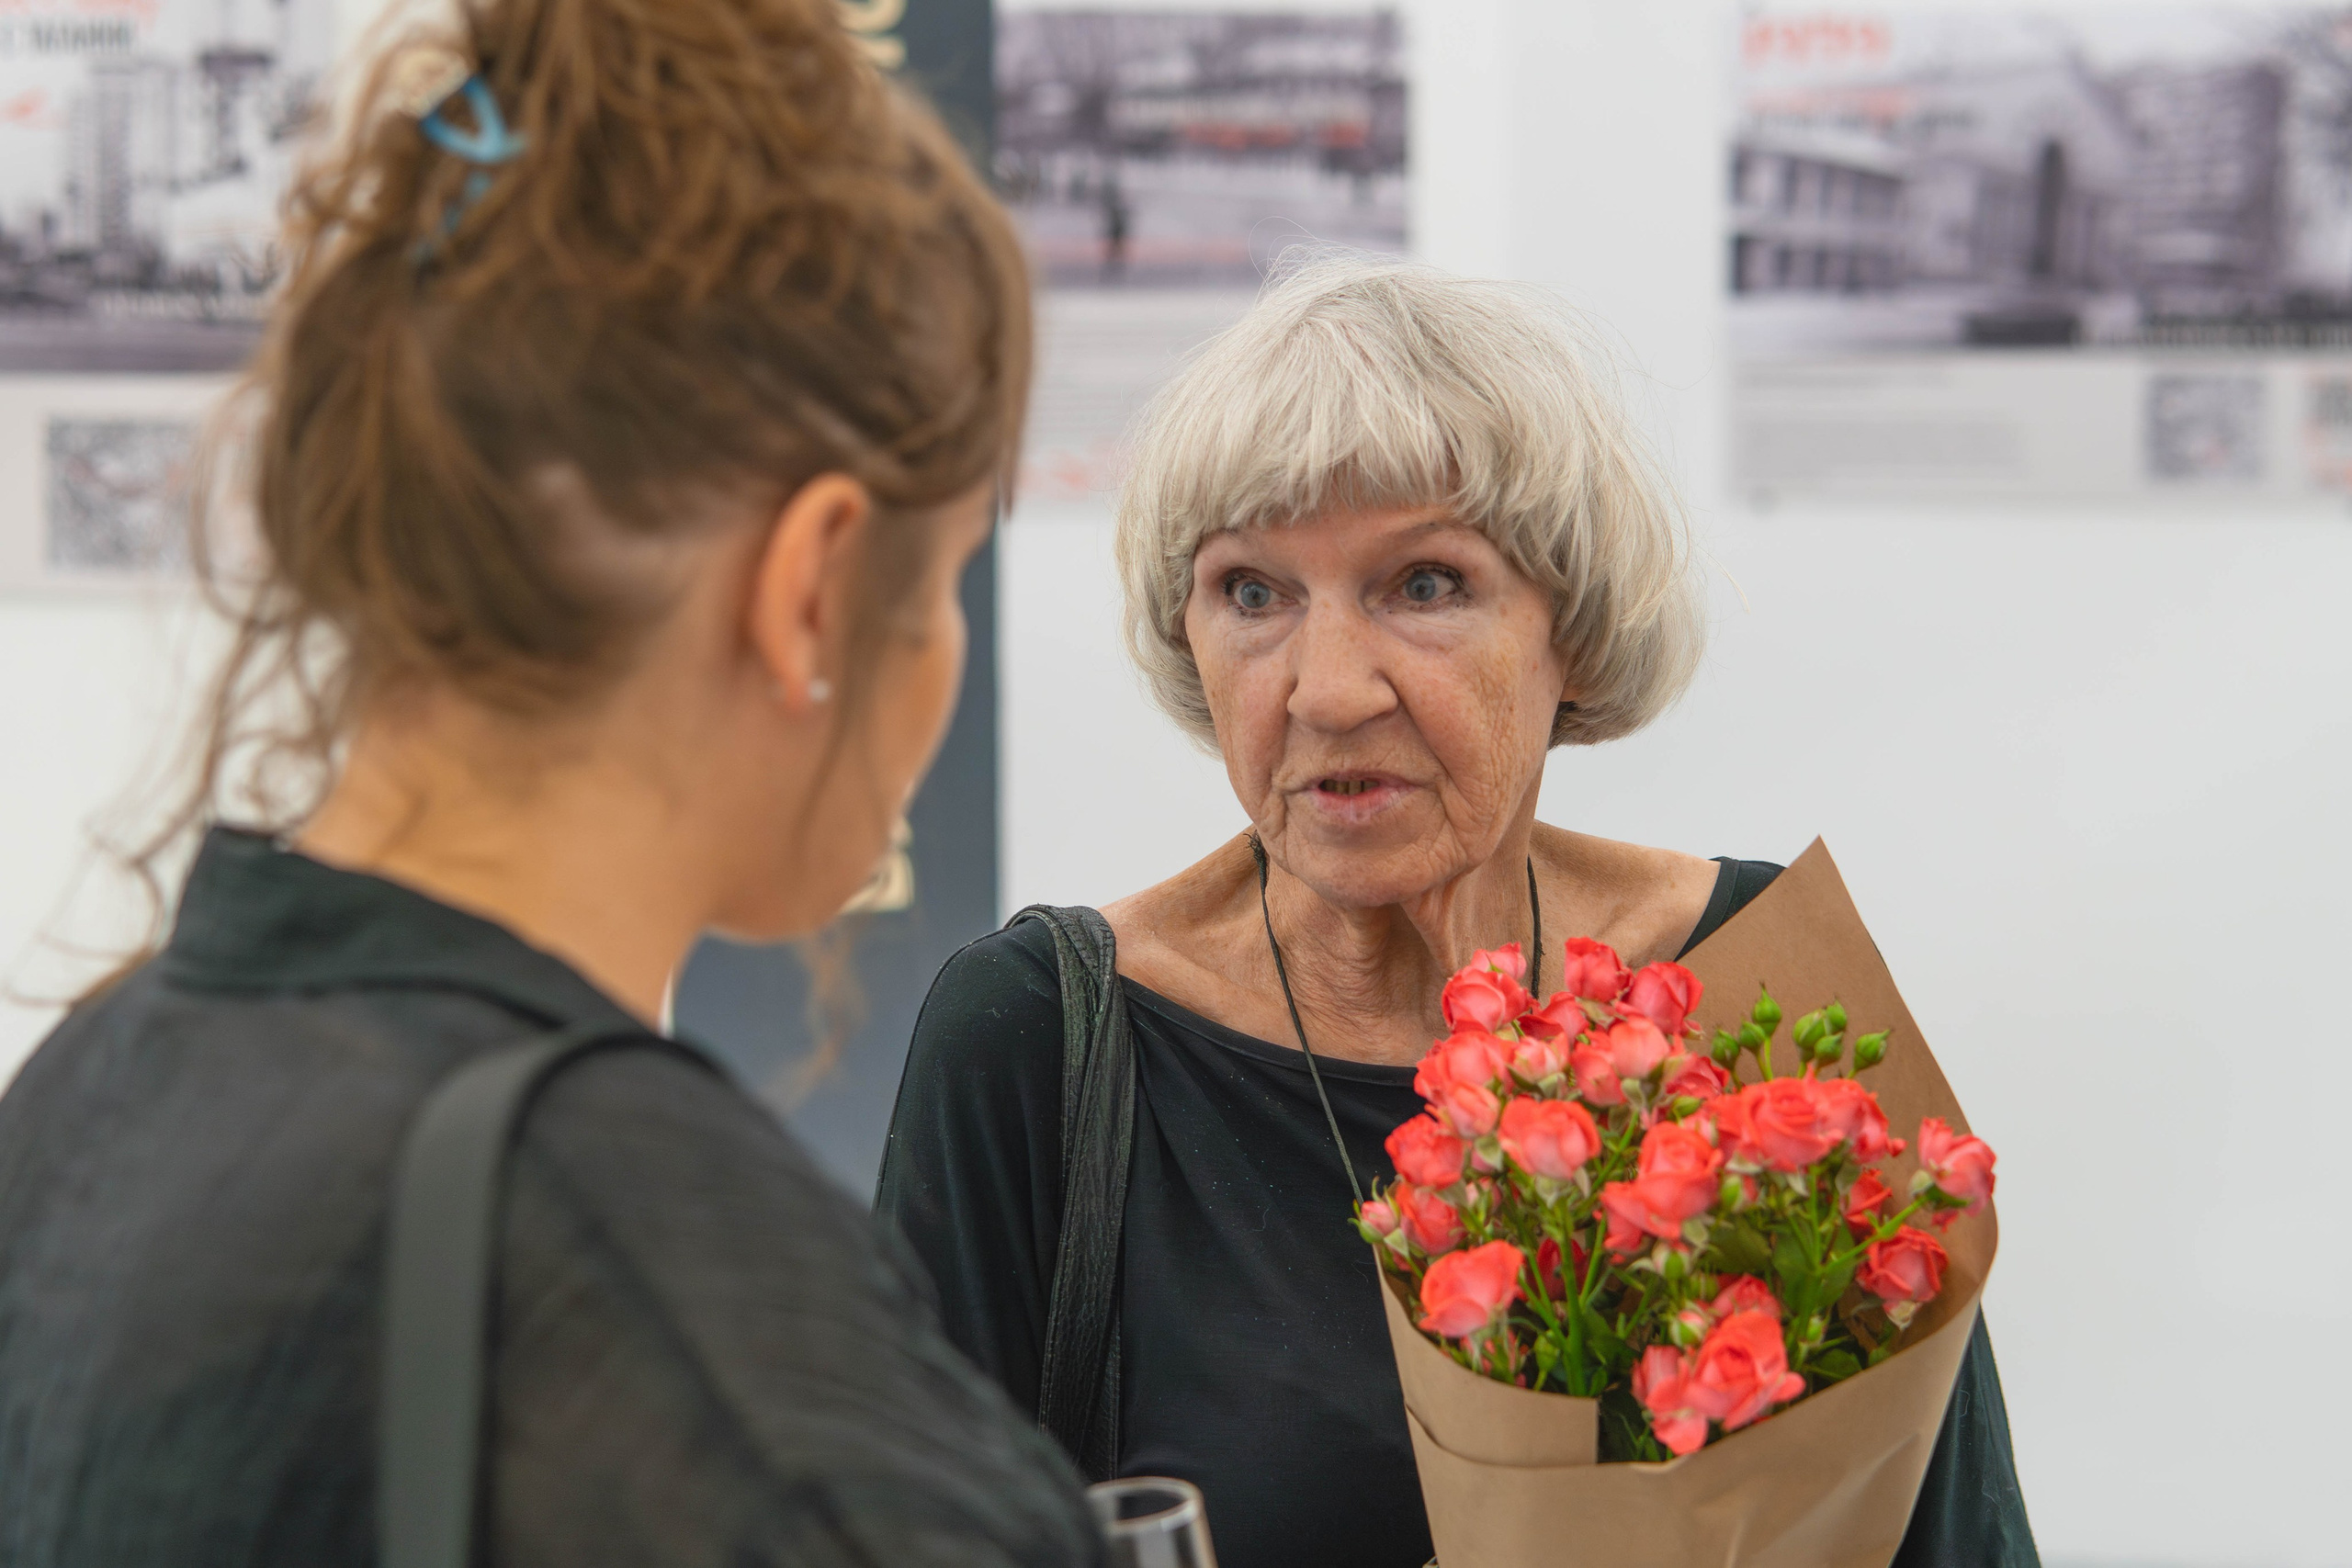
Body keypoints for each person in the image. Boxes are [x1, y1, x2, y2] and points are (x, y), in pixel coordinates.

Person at [0, 2, 1101, 1564]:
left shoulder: (94, 1088)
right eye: (940, 585)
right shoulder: (677, 1313)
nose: (940, 652)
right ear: (808, 589)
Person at [877, 258, 2038, 1568]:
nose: (1324, 691)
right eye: (1252, 593)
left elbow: (1955, 1540)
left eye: (1423, 584)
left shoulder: (1750, 990)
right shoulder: (1041, 1039)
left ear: (1576, 631)